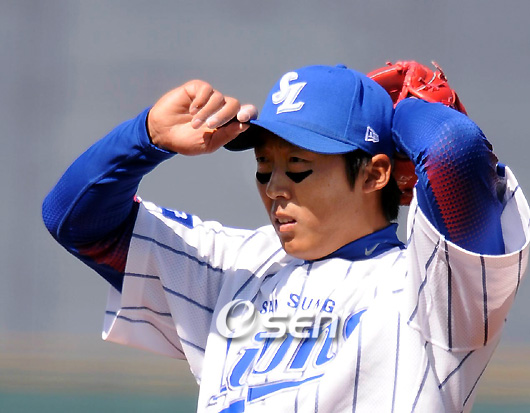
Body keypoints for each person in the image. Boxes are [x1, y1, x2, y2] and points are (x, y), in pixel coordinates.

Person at [42, 62, 529, 412]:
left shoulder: (432, 289)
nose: (275, 187)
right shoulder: (238, 265)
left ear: (374, 173)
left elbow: (451, 150)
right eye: (264, 166)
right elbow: (74, 218)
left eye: (298, 166)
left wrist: (398, 114)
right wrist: (144, 136)